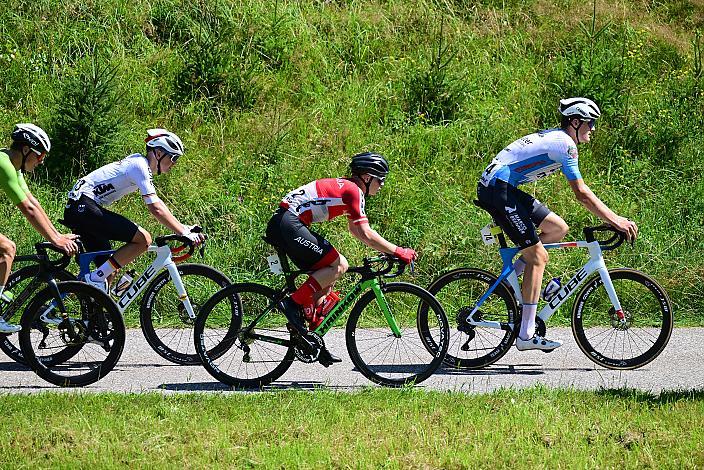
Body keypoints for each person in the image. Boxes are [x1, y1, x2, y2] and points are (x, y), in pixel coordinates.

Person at [476, 97, 638, 351]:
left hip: (503, 185)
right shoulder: (566, 144)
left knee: (557, 229)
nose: (593, 129)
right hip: (499, 188)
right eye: (589, 123)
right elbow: (582, 194)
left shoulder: (560, 140)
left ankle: (512, 279)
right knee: (538, 257)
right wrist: (615, 219)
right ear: (574, 122)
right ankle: (526, 336)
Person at [265, 152, 417, 364]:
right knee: (339, 265)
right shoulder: (353, 191)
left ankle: (312, 340)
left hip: (286, 223)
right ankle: (292, 304)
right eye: (380, 179)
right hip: (289, 223)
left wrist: (387, 250)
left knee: (325, 281)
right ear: (367, 177)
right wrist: (398, 251)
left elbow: (356, 230)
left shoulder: (349, 188)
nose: (382, 184)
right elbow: (365, 233)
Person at [62, 129, 205, 291]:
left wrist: (184, 228)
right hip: (83, 206)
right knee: (143, 239)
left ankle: (94, 311)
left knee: (109, 271)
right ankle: (92, 280)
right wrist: (182, 232)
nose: (174, 163)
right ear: (158, 153)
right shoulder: (139, 166)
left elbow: (157, 203)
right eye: (173, 158)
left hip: (82, 209)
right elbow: (155, 207)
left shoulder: (139, 164)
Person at [0, 124, 79, 333]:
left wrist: (57, 235)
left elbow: (32, 202)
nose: (41, 162)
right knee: (7, 248)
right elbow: (26, 209)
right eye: (40, 155)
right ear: (26, 150)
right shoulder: (3, 163)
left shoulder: (12, 165)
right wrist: (55, 240)